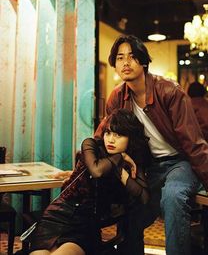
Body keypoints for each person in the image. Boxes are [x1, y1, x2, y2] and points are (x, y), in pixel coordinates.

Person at [94, 34, 208, 255]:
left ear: (143, 61)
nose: (125, 63)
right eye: (120, 58)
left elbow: (193, 140)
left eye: (132, 57)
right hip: (150, 166)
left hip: (181, 161)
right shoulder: (117, 97)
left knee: (174, 196)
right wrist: (84, 164)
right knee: (132, 211)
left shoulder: (169, 91)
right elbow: (103, 135)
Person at [28, 109, 150, 255]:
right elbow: (97, 171)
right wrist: (120, 157)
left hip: (85, 224)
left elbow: (144, 197)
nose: (111, 140)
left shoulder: (134, 164)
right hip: (58, 215)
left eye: (118, 135)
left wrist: (123, 174)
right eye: (108, 133)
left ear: (131, 137)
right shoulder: (90, 145)